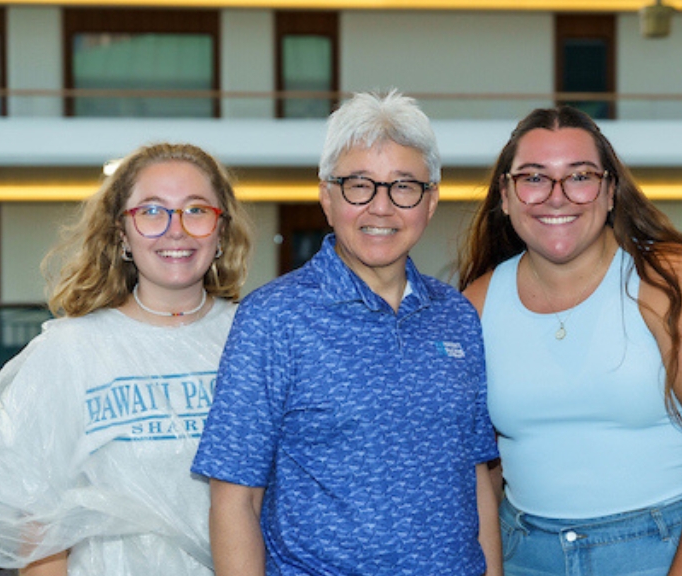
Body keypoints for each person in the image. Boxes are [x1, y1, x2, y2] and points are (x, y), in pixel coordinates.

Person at [192, 90, 501, 576]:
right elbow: (234, 500)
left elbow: (477, 474)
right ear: (326, 196)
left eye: (404, 186)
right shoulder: (274, 320)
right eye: (359, 185)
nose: (381, 207)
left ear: (431, 200)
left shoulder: (456, 317)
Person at [0, 142, 254, 576]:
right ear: (121, 233)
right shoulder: (70, 352)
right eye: (151, 211)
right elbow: (36, 526)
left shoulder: (258, 338)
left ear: (221, 230)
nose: (176, 230)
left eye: (196, 210)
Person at [458, 106, 682, 576]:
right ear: (505, 194)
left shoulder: (673, 283)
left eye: (580, 176)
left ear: (610, 191)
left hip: (676, 547)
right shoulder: (475, 306)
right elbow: (483, 466)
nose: (557, 197)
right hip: (530, 556)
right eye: (534, 178)